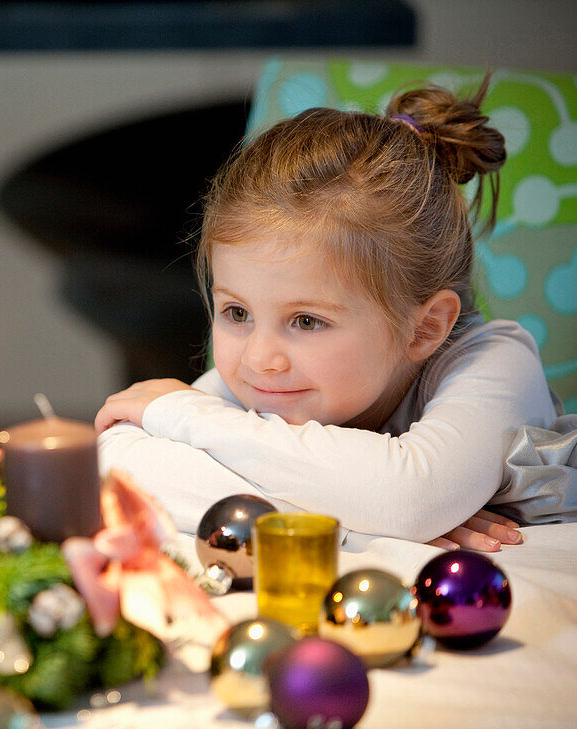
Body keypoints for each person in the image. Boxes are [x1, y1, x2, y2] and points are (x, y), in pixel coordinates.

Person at [94, 75, 561, 552]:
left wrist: (186, 414)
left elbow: (410, 497)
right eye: (237, 312)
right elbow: (122, 468)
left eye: (306, 321)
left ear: (425, 327)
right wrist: (364, 527)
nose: (259, 359)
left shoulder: (497, 363)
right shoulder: (266, 385)